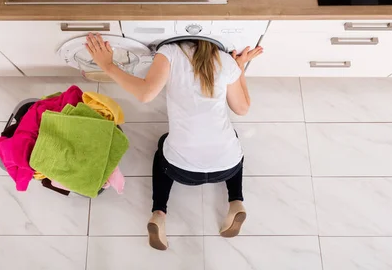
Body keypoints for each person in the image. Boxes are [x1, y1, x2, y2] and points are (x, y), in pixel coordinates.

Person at [86, 33, 263, 250]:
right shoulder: (224, 60)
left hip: (181, 171)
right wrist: (239, 67)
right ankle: (236, 201)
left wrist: (108, 65)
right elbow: (242, 108)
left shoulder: (170, 52)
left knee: (163, 145)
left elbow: (145, 94)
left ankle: (158, 212)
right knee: (230, 140)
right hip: (227, 169)